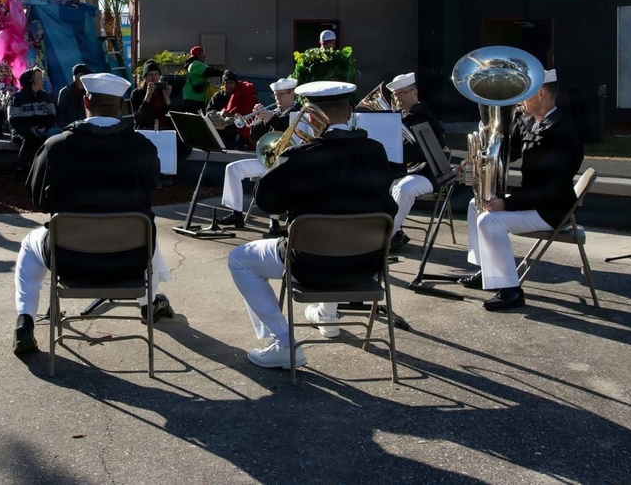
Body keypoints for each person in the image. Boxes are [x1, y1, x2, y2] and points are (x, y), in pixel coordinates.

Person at [228, 81, 396, 369]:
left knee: (239, 260)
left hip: (310, 265)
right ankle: (327, 317)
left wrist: (282, 162)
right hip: (365, 266)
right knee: (342, 233)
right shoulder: (376, 151)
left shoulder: (300, 156)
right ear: (349, 110)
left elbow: (267, 203)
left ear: (310, 114)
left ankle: (283, 342)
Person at [13, 72, 174, 355]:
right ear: (123, 106)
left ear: (86, 101)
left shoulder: (56, 147)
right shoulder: (143, 148)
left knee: (29, 244)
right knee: (143, 227)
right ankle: (148, 303)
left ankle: (25, 320)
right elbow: (150, 191)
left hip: (71, 260)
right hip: (130, 261)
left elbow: (38, 200)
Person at [458, 69, 584, 311]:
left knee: (489, 222)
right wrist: (477, 158)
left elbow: (551, 188)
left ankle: (510, 290)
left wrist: (508, 203)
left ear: (541, 93)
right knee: (477, 204)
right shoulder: (534, 123)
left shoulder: (561, 132)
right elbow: (509, 151)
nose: (518, 101)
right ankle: (488, 270)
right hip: (537, 201)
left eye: (524, 94)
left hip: (551, 209)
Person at [217, 78, 301, 233]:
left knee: (273, 176)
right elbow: (256, 138)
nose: (277, 99)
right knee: (233, 168)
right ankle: (236, 213)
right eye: (275, 95)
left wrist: (270, 117)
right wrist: (258, 119)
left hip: (290, 162)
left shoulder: (299, 111)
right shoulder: (275, 112)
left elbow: (287, 126)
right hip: (269, 159)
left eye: (281, 95)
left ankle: (274, 221)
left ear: (292, 94)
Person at [384, 72, 446, 251]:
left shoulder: (426, 116)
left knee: (403, 190)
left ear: (414, 93)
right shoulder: (397, 117)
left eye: (403, 93)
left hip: (427, 173)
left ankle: (385, 237)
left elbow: (435, 148)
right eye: (396, 95)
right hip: (401, 172)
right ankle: (394, 234)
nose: (399, 98)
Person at [8, 67, 59, 171]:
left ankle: (52, 167)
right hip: (22, 130)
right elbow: (13, 120)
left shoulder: (46, 96)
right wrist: (30, 128)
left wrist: (44, 127)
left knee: (55, 134)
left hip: (43, 128)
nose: (42, 80)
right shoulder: (17, 98)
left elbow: (52, 115)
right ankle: (23, 167)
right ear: (31, 81)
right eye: (39, 78)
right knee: (29, 139)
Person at [207, 70, 258, 149]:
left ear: (236, 83)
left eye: (231, 82)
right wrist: (220, 113)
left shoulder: (242, 94)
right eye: (225, 83)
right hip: (219, 124)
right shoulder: (218, 96)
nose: (228, 85)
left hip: (238, 124)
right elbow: (209, 111)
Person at [130, 60, 173, 131]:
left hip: (164, 130)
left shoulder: (164, 91)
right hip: (146, 130)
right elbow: (138, 118)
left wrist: (167, 98)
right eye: (150, 74)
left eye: (156, 74)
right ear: (145, 78)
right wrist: (147, 96)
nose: (154, 77)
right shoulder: (136, 93)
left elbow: (171, 115)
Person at [182, 45, 223, 113]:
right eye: (203, 54)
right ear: (199, 54)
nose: (205, 56)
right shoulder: (196, 64)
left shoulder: (193, 64)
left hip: (193, 97)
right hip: (194, 98)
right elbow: (209, 71)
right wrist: (223, 73)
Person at [55, 63, 90, 128]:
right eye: (83, 75)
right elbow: (60, 116)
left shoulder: (88, 92)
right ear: (77, 77)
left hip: (85, 129)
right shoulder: (65, 92)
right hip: (68, 129)